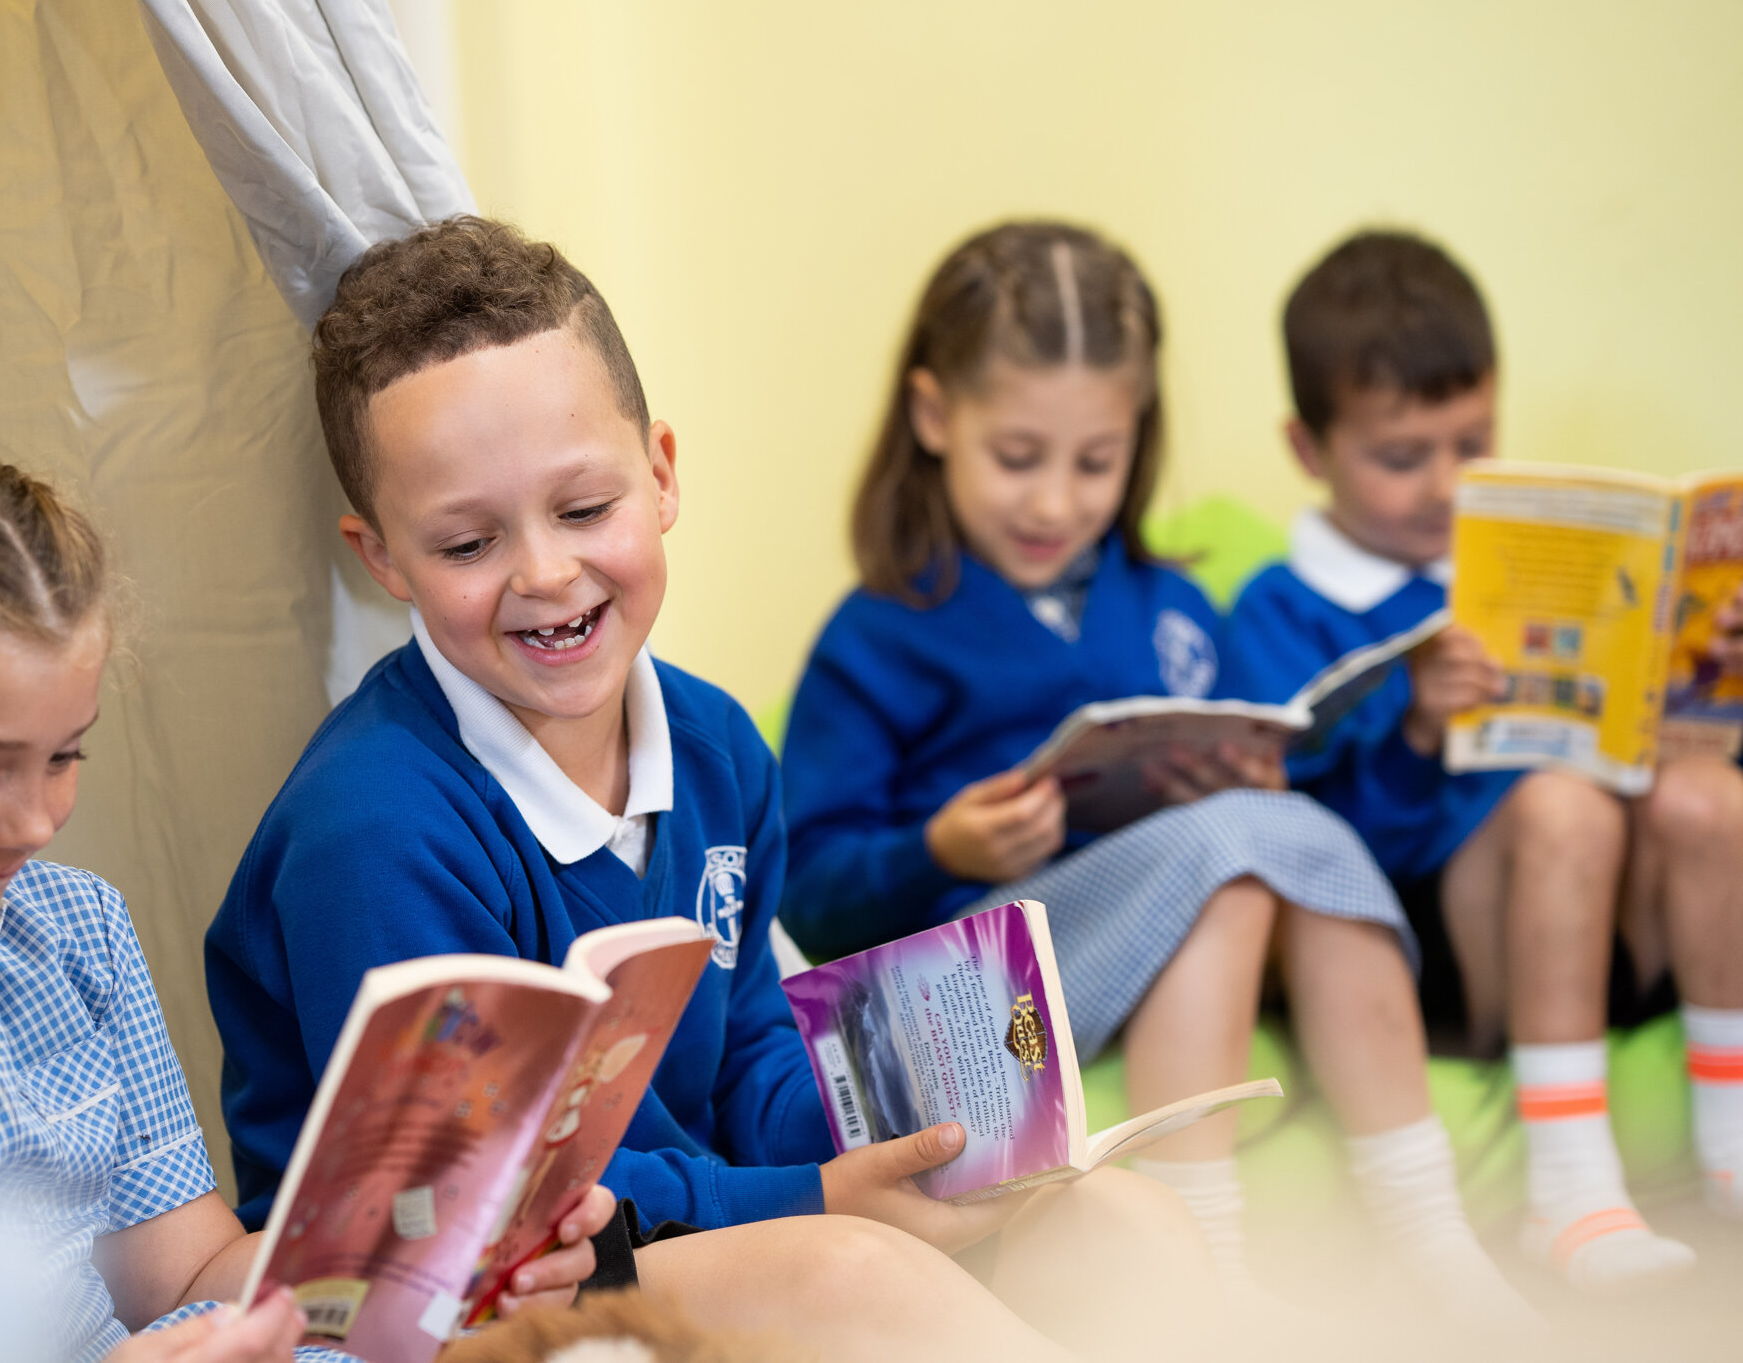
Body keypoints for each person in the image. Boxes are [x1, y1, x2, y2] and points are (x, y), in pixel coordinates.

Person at [207, 215, 1218, 1362]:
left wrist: (899, 1154)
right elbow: (489, 1200)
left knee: (1115, 1223)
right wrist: (815, 1203)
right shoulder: (373, 832)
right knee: (849, 1274)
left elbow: (747, 1048)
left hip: (693, 1223)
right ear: (381, 557)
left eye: (584, 510)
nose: (545, 574)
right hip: (479, 1289)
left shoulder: (717, 744)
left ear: (661, 476)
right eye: (464, 544)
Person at [0, 438, 609, 1363]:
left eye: (64, 757)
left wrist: (446, 1257)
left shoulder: (72, 928)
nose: (35, 823)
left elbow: (180, 1278)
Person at [778, 221, 1528, 1326]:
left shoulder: (1170, 606)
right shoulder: (879, 633)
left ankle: (1429, 1232)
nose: (1055, 504)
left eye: (1095, 462)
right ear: (936, 418)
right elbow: (804, 896)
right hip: (969, 1007)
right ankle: (1204, 1264)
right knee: (1229, 857)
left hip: (1160, 954)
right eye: (1017, 457)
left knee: (1274, 842)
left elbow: (1243, 762)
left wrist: (1244, 786)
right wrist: (940, 848)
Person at [1219, 228, 1743, 1293]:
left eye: (1473, 442)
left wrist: (1700, 672)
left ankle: (1730, 1148)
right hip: (1457, 952)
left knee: (1702, 797)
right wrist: (1412, 728)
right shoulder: (1278, 611)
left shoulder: (1527, 563)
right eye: (1401, 457)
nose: (1447, 487)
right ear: (1308, 450)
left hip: (1617, 919)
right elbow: (1320, 860)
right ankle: (1567, 1186)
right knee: (1561, 808)